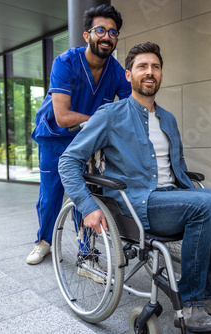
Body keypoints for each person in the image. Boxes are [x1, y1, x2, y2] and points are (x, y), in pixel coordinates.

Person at [59, 42, 211, 332]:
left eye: (155, 67)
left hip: (173, 198)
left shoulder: (168, 119)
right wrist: (87, 205)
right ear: (128, 75)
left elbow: (177, 167)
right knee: (204, 206)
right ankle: (192, 306)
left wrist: (194, 192)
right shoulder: (109, 116)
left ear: (162, 76)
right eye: (142, 67)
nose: (149, 72)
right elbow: (68, 161)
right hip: (136, 204)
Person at [27, 4, 131, 265]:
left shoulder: (117, 71)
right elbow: (63, 116)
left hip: (85, 139)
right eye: (100, 30)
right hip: (54, 137)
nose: (107, 36)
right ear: (87, 35)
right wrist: (103, 121)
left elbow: (132, 108)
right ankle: (43, 242)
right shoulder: (65, 63)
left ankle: (86, 254)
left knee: (85, 194)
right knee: (51, 195)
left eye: (113, 32)